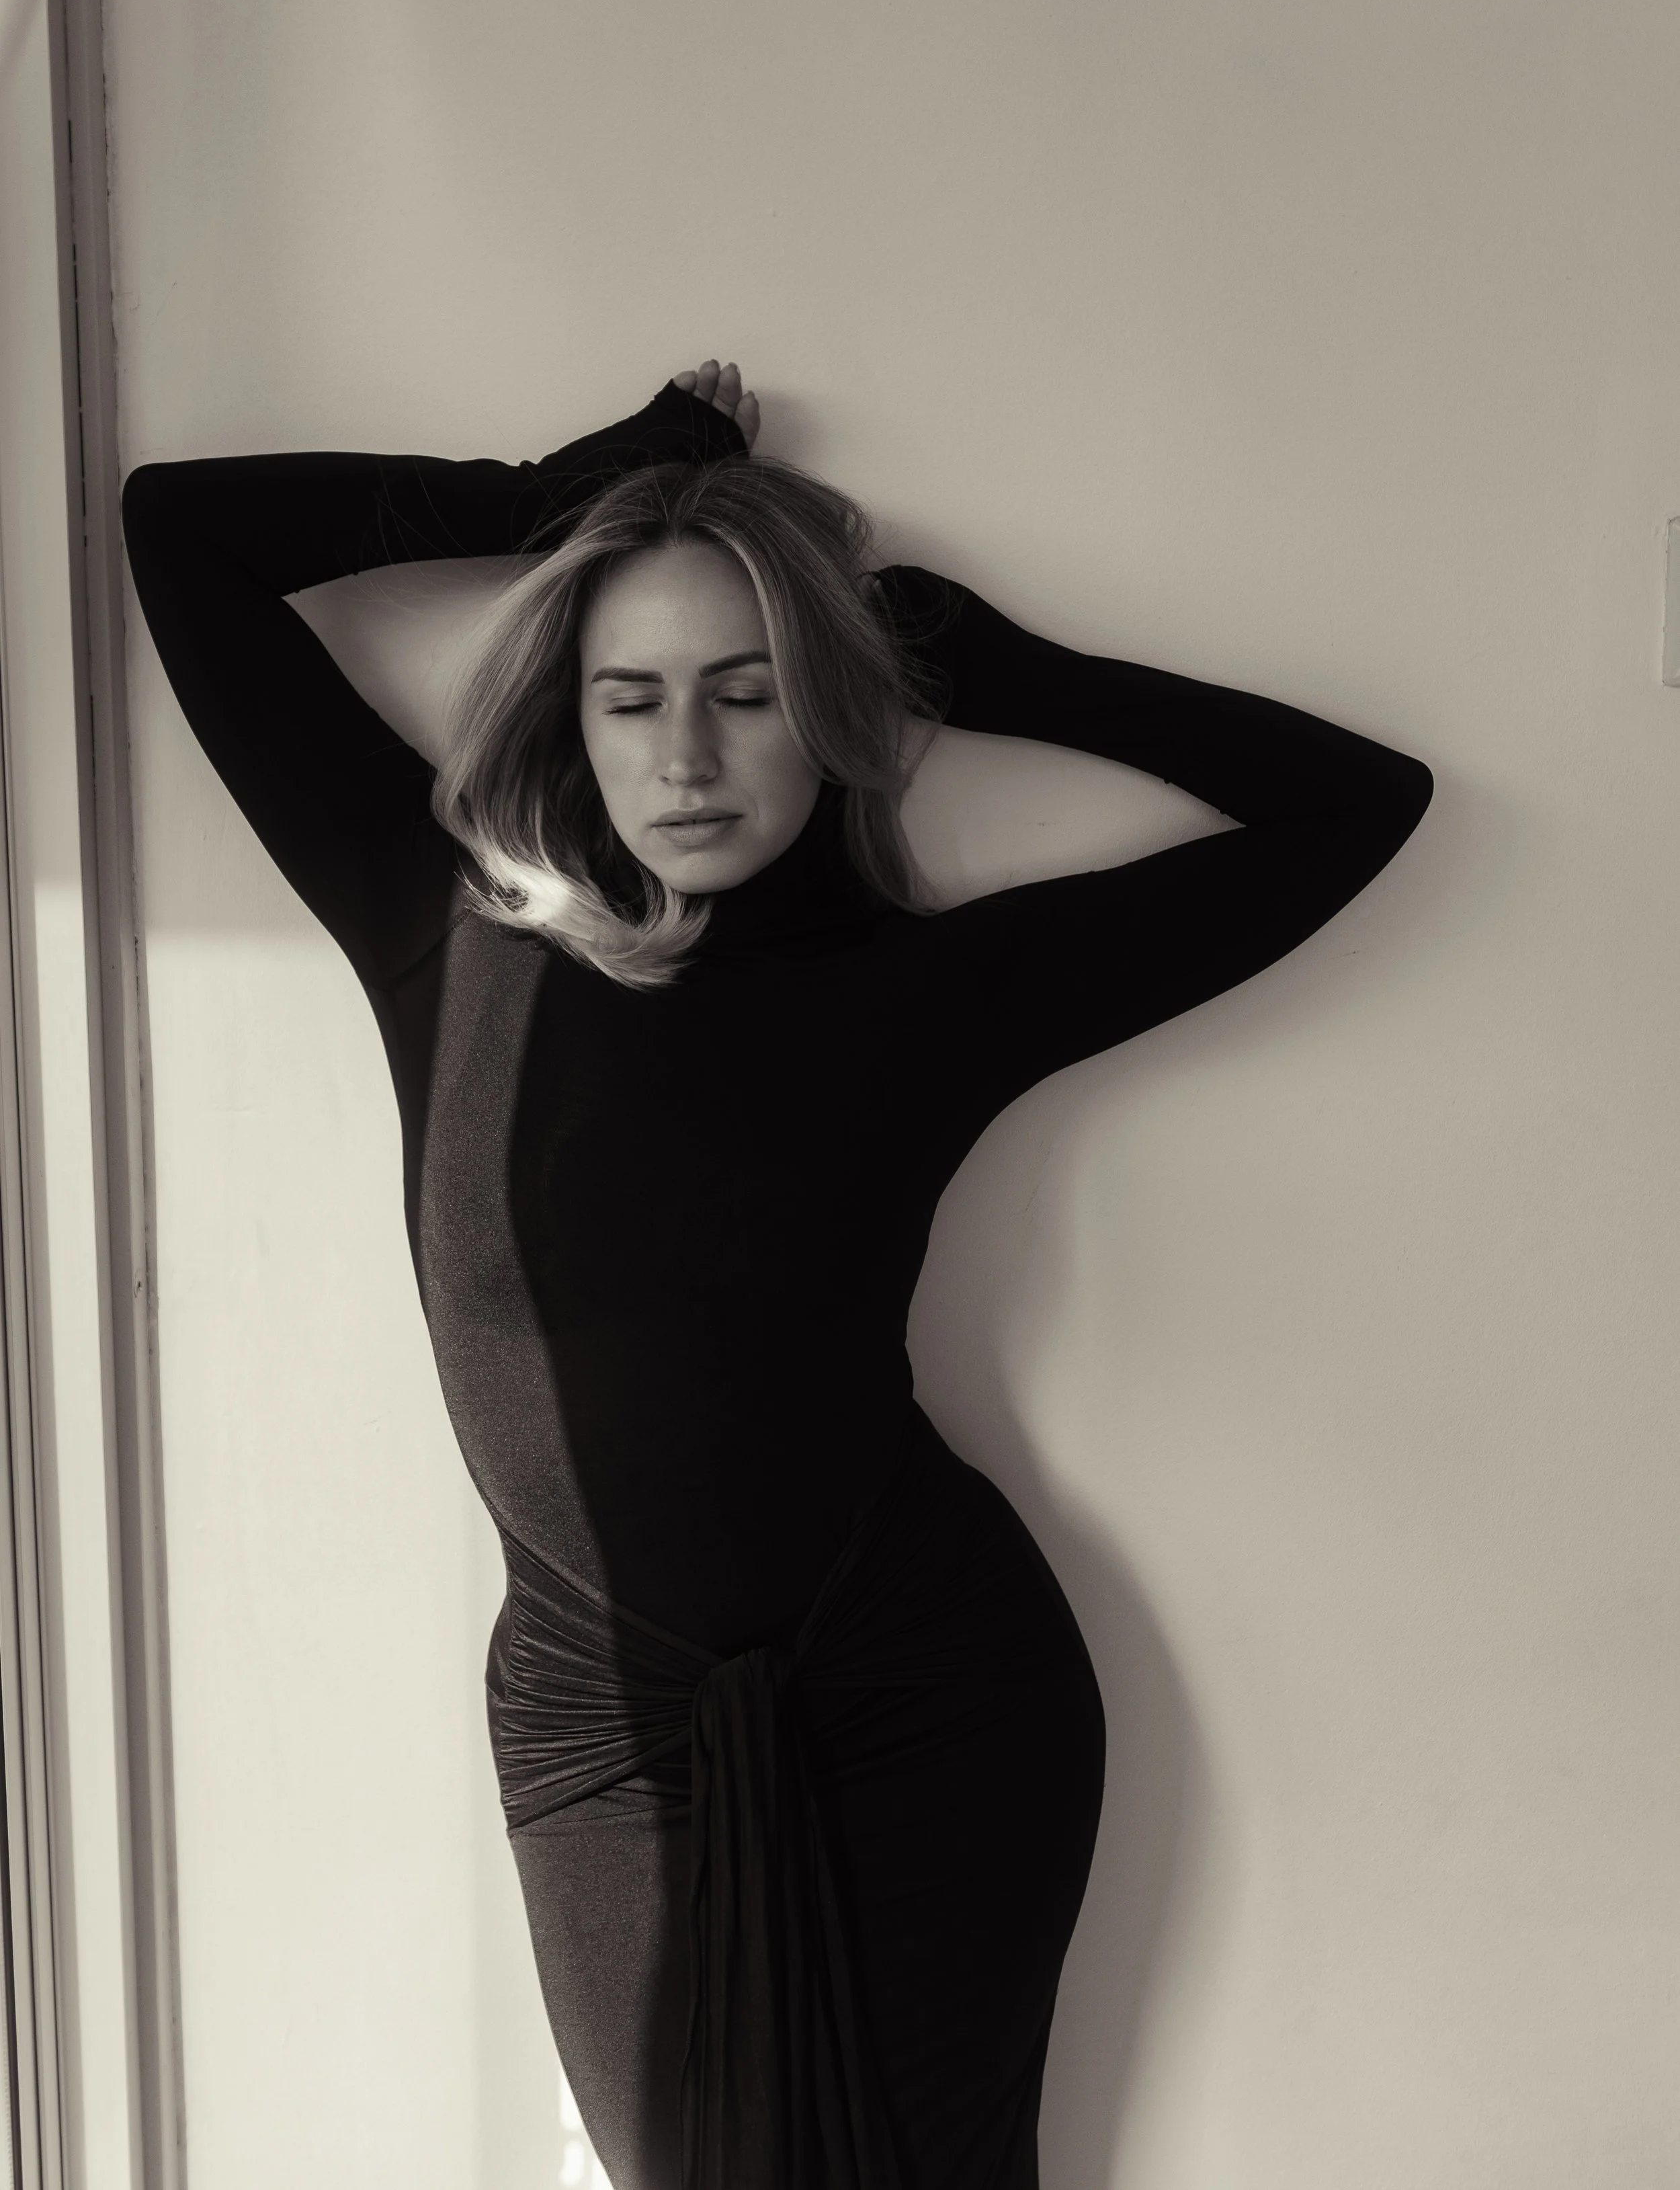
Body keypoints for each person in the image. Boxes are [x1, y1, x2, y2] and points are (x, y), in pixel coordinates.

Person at [122, 362, 1432, 2190]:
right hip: (596, 1716)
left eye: (749, 694)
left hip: (923, 1680)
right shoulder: (442, 924)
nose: (686, 757)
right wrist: (575, 488)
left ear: (826, 712)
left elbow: (1358, 804)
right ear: (570, 721)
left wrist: (1006, 677)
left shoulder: (933, 991)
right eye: (631, 696)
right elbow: (181, 530)